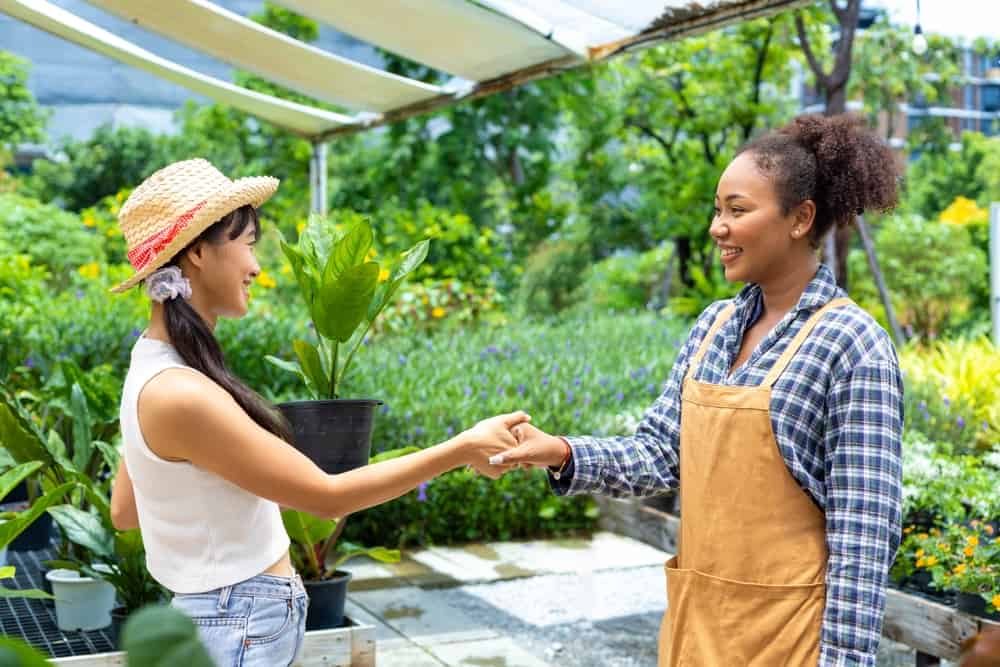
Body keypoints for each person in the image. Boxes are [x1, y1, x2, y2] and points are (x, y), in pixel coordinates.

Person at [494, 114, 904, 666]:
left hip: (791, 640)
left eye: (738, 210)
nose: (717, 227)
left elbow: (864, 535)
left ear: (800, 218)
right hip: (698, 627)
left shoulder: (852, 344)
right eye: (718, 209)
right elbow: (661, 456)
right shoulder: (713, 327)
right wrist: (562, 451)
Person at [108, 159, 526, 667]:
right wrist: (461, 448)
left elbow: (126, 512)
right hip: (237, 620)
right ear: (197, 251)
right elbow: (326, 499)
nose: (256, 266)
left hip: (220, 617)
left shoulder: (150, 369)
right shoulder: (181, 393)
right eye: (247, 244)